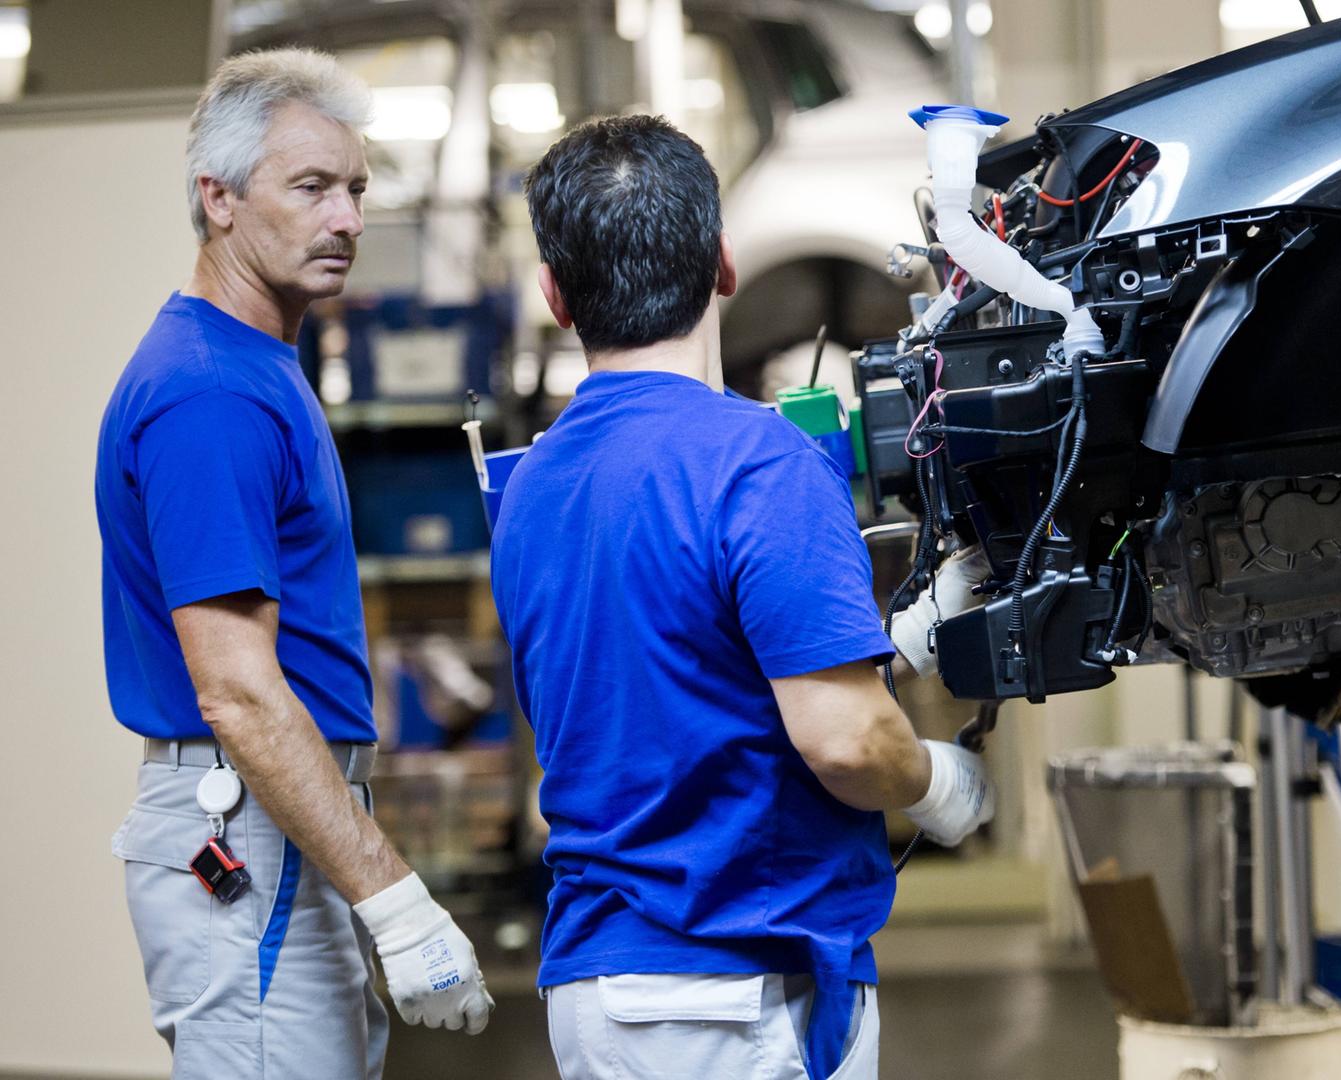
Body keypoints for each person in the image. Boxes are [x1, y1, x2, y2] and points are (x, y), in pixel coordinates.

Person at [493, 113, 994, 1080]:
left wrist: (897, 639)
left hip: (599, 987)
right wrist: (937, 784)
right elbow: (845, 741)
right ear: (723, 264)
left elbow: (672, 676)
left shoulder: (530, 486)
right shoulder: (759, 462)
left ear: (556, 295)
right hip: (736, 994)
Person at [94, 48, 493, 1079]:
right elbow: (238, 692)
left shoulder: (258, 365)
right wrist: (399, 904)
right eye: (311, 187)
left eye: (356, 189)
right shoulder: (210, 393)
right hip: (244, 822)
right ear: (217, 199)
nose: (349, 219)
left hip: (279, 818)